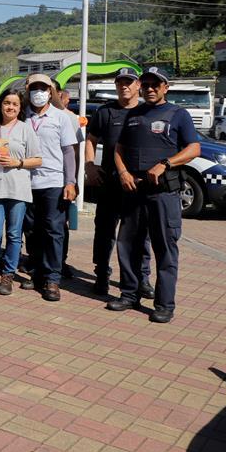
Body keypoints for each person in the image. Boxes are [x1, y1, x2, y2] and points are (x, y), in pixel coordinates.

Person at [107, 67, 200, 323]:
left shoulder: (178, 115)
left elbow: (194, 148)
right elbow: (119, 148)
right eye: (145, 84)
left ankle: (164, 304)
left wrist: (167, 164)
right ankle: (129, 294)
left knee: (165, 248)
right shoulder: (134, 114)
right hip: (134, 190)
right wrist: (123, 172)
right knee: (128, 245)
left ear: (165, 88)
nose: (149, 88)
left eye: (155, 85)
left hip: (163, 193)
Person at [85, 67, 154, 297]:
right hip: (109, 182)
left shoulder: (148, 112)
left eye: (129, 82)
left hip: (138, 184)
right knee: (104, 231)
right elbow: (91, 140)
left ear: (138, 86)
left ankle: (141, 278)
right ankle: (102, 273)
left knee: (139, 234)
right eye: (120, 82)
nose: (124, 86)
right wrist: (89, 166)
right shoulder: (105, 112)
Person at [0, 90, 42, 294]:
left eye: (15, 104)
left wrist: (18, 162)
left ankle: (7, 276)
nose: (10, 107)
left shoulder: (26, 129)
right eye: (6, 103)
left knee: (14, 235)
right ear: (1, 105)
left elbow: (38, 159)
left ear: (20, 108)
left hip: (18, 190)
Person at [22, 73, 78, 301]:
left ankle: (53, 279)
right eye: (34, 88)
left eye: (43, 88)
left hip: (53, 182)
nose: (38, 92)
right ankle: (36, 271)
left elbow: (69, 152)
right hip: (25, 181)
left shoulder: (60, 117)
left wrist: (71, 182)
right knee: (32, 229)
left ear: (50, 91)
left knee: (53, 230)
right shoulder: (22, 115)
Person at [56, 87, 86, 278]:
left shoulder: (69, 118)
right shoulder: (29, 114)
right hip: (34, 180)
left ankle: (60, 261)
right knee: (33, 225)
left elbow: (74, 152)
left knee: (59, 225)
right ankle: (36, 260)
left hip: (61, 180)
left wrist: (72, 181)